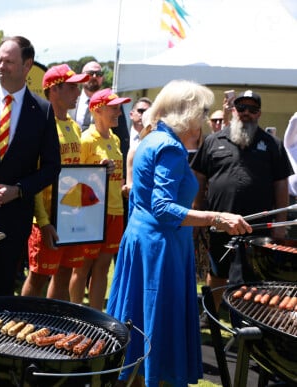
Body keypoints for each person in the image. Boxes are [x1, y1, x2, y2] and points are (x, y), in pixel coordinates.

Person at [107, 80, 252, 387]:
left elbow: (142, 201)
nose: (202, 117)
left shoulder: (151, 139)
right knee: (154, 327)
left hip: (145, 245)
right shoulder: (170, 147)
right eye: (200, 111)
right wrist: (216, 218)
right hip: (160, 250)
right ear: (185, 112)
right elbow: (163, 208)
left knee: (138, 327)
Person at [191, 90, 292, 324]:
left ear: (259, 113)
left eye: (252, 109)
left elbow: (281, 185)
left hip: (256, 228)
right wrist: (197, 216)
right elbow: (199, 179)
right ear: (233, 110)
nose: (246, 113)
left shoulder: (272, 145)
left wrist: (279, 225)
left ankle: (248, 320)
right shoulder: (213, 141)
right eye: (242, 108)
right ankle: (211, 314)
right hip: (218, 223)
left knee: (253, 278)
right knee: (217, 272)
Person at [0, 36, 61, 297]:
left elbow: (52, 167)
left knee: (2, 291)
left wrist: (18, 190)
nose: (0, 66)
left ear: (27, 66)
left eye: (8, 62)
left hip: (13, 218)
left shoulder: (42, 111)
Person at [20, 64, 88, 300]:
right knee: (38, 276)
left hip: (71, 215)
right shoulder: (40, 125)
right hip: (47, 218)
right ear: (53, 90)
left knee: (65, 274)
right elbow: (36, 176)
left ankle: (52, 329)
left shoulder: (75, 127)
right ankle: (21, 325)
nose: (78, 93)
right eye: (72, 87)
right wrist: (43, 221)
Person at [69, 88, 129, 311]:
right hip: (91, 212)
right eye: (114, 108)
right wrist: (94, 172)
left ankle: (94, 317)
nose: (119, 113)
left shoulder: (114, 139)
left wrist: (126, 188)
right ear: (98, 110)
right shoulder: (86, 140)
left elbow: (117, 179)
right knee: (82, 268)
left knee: (103, 267)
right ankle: (75, 315)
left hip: (115, 211)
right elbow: (72, 179)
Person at [69, 61, 104, 131]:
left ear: (102, 78)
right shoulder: (69, 101)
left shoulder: (111, 104)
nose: (94, 76)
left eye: (98, 74)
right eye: (90, 73)